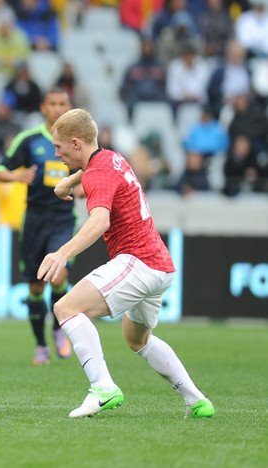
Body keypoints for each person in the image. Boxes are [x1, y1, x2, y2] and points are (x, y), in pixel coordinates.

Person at [37, 108, 214, 419]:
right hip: (160, 265)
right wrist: (68, 182)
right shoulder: (112, 157)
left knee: (66, 308)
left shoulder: (98, 173)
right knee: (137, 339)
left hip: (138, 261)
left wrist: (62, 253)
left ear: (76, 143)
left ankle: (102, 387)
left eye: (59, 147)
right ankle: (197, 401)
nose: (56, 153)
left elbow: (99, 221)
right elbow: (92, 169)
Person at [0, 87, 74, 366]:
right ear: (43, 108)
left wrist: (83, 187)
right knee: (36, 287)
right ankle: (41, 345)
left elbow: (91, 172)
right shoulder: (29, 140)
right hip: (35, 219)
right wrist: (17, 177)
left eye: (62, 103)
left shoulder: (77, 141)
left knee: (59, 275)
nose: (57, 108)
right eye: (53, 103)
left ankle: (59, 328)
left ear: (69, 107)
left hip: (63, 218)